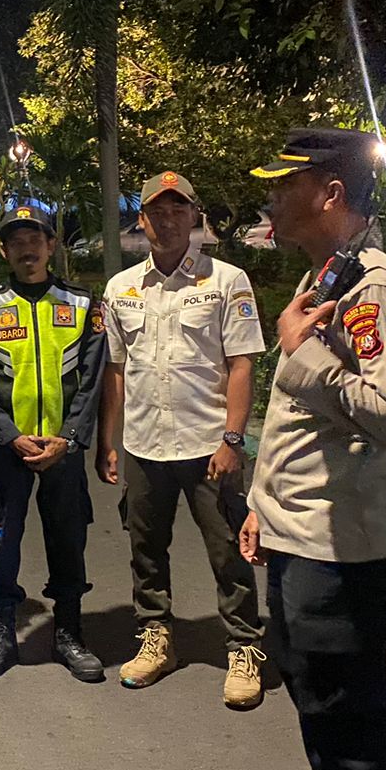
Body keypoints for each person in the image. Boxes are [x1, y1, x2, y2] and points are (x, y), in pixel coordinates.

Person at [237, 128, 386, 770]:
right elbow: (300, 425)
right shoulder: (328, 276)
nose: (272, 199)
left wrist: (303, 354)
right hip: (302, 530)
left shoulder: (377, 288)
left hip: (341, 546)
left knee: (348, 717)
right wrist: (262, 506)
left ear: (329, 193)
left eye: (286, 185)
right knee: (317, 699)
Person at [96, 171, 268, 706]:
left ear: (195, 216)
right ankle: (156, 637)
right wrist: (108, 440)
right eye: (157, 211)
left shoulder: (227, 281)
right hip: (144, 444)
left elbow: (242, 365)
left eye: (179, 210)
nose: (168, 220)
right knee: (145, 550)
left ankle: (243, 647)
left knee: (228, 551)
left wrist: (233, 440)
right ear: (142, 220)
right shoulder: (121, 288)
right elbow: (116, 370)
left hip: (208, 445)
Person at [0, 204, 107, 684]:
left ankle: (68, 631)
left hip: (63, 449)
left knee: (69, 538)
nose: (27, 249)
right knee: (3, 539)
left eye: (35, 239)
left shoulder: (81, 303)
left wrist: (69, 438)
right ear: (4, 250)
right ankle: (1, 631)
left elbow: (93, 378)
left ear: (51, 245)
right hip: (10, 449)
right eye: (17, 241)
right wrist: (8, 436)